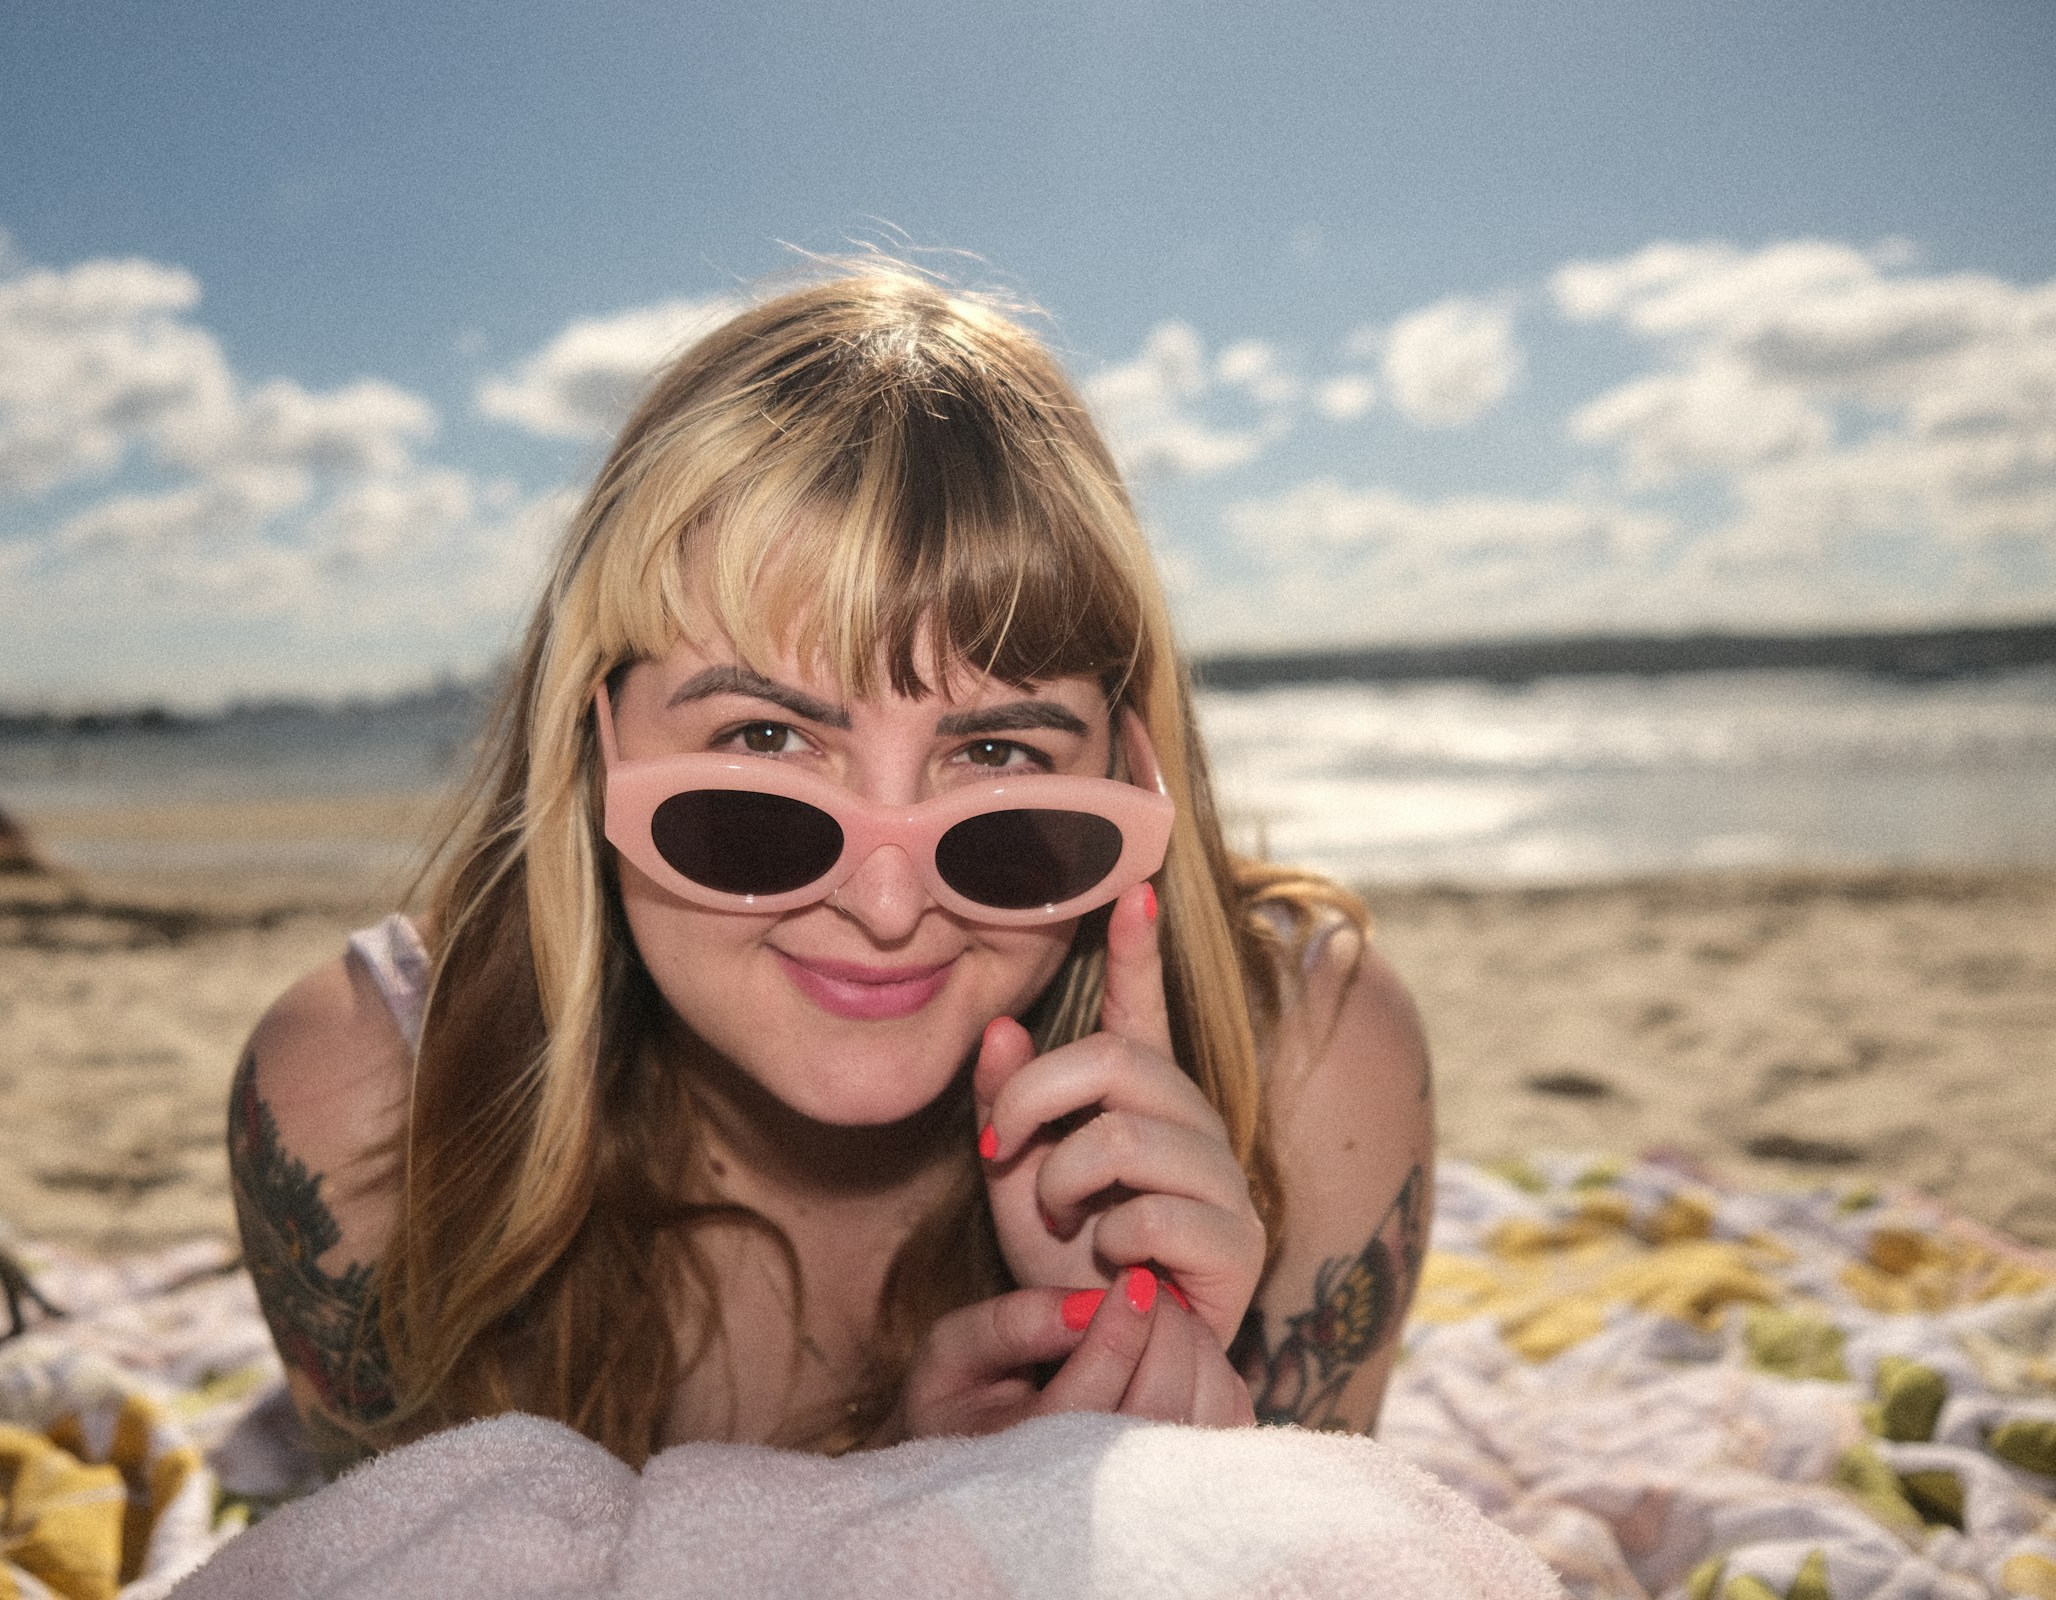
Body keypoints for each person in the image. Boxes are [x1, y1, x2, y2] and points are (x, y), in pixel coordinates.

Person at [231, 269, 1434, 1475]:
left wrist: (1142, 1475)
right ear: (590, 751)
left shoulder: (1311, 1068)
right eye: (764, 745)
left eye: (997, 754)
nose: (888, 902)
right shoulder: (370, 1101)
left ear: (1131, 772)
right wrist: (926, 1499)